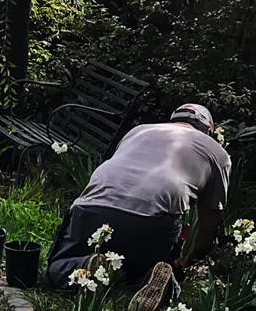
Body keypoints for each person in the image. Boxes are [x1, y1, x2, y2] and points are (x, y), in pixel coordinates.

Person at [46, 104, 230, 290]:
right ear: (208, 131)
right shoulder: (216, 152)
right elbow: (210, 225)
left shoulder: (138, 131)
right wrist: (189, 265)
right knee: (139, 271)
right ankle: (151, 280)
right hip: (151, 222)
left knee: (57, 267)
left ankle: (85, 265)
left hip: (91, 210)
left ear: (172, 121)